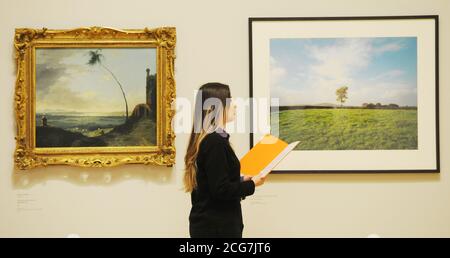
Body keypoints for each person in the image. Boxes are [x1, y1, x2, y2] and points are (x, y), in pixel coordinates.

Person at [184, 82, 266, 238]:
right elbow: (221, 190)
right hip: (216, 229)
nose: (235, 105)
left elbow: (213, 182)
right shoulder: (214, 142)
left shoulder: (211, 139)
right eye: (230, 100)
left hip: (212, 225)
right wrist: (252, 183)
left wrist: (241, 179)